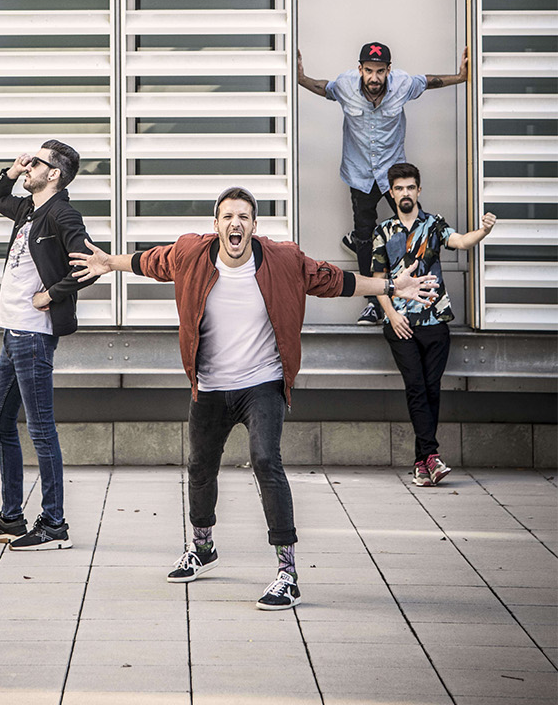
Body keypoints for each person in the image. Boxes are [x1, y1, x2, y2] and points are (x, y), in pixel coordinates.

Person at [69, 187, 437, 610]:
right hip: (210, 385)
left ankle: (287, 573)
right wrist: (109, 263)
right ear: (216, 225)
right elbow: (151, 261)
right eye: (227, 217)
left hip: (262, 383)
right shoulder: (191, 254)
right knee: (200, 466)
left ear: (254, 226)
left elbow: (334, 280)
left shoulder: (283, 259)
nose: (235, 224)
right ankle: (202, 547)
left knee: (265, 460)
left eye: (243, 217)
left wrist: (391, 285)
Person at [0, 141, 97, 551]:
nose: (28, 166)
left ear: (54, 174)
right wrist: (11, 171)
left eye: (35, 162)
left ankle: (54, 525)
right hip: (13, 332)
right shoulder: (29, 208)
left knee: (41, 430)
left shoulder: (62, 214)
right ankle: (11, 517)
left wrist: (51, 294)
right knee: (0, 424)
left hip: (33, 334)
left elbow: (90, 266)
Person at [297, 41, 467, 324]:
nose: (374, 78)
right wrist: (301, 78)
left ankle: (426, 300)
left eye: (379, 71)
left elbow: (429, 82)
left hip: (392, 173)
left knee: (417, 228)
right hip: (359, 173)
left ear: (389, 70)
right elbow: (324, 88)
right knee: (365, 233)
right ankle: (373, 303)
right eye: (368, 70)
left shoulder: (402, 84)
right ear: (360, 69)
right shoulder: (345, 85)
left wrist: (460, 77)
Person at [372, 162, 496, 488]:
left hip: (435, 320)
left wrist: (483, 231)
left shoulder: (434, 224)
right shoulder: (383, 231)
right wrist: (391, 314)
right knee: (416, 387)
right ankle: (432, 456)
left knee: (431, 389)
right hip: (400, 322)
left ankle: (423, 463)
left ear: (418, 190)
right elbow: (377, 280)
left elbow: (462, 241)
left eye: (410, 187)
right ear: (391, 193)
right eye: (399, 188)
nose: (405, 193)